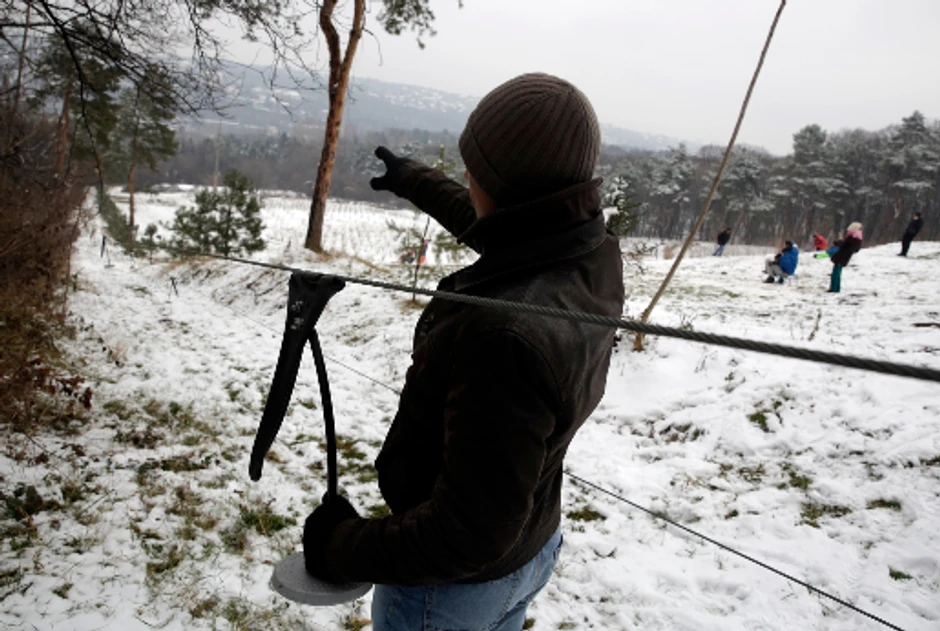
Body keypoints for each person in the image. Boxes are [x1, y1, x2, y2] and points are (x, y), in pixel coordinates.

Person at [301, 73, 625, 631]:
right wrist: (417, 182)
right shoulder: (591, 253)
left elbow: (466, 533)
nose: (467, 176)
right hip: (534, 546)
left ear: (496, 184)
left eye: (472, 168)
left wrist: (340, 547)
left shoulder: (503, 337)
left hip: (450, 593)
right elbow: (508, 231)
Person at [829, 222, 863, 293]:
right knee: (837, 272)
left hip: (842, 256)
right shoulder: (857, 237)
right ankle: (836, 288)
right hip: (845, 256)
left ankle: (834, 288)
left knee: (836, 272)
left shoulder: (852, 237)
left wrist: (841, 245)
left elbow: (846, 246)